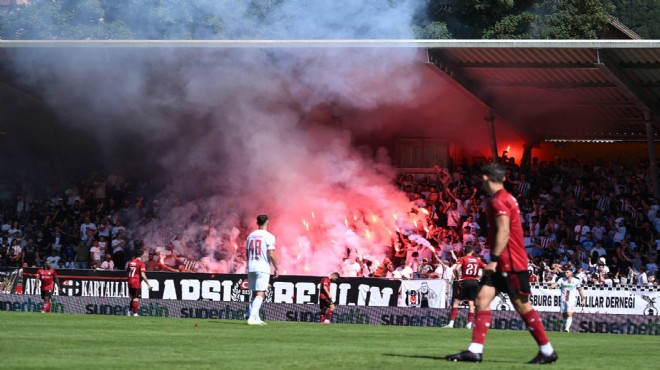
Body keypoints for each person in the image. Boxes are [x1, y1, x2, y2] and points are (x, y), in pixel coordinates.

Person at [447, 163, 557, 364]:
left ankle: (547, 350)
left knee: (521, 306)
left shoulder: (499, 201)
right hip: (505, 262)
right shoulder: (506, 198)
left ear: (486, 178)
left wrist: (494, 260)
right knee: (482, 299)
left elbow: (504, 231)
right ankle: (475, 350)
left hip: (509, 262)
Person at [245, 214, 279, 326]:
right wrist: (276, 267)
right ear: (268, 222)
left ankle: (256, 317)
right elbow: (271, 252)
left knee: (254, 292)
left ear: (257, 223)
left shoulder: (250, 236)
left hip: (251, 266)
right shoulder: (269, 236)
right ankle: (251, 318)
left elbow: (247, 253)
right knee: (261, 293)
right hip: (262, 267)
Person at [443, 245, 486, 329]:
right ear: (472, 252)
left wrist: (457, 279)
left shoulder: (463, 258)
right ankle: (469, 324)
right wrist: (480, 277)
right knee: (471, 303)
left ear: (464, 251)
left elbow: (456, 269)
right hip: (474, 282)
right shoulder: (477, 260)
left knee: (456, 302)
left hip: (465, 281)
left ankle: (451, 324)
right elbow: (487, 268)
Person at [550, 267, 585, 332]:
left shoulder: (576, 281)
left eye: (567, 272)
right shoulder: (562, 279)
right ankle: (565, 327)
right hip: (563, 299)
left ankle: (567, 328)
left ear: (571, 273)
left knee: (569, 313)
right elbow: (556, 284)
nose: (565, 273)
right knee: (564, 314)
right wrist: (552, 286)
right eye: (565, 272)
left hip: (571, 300)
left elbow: (580, 290)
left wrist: (583, 299)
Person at [127, 250, 152, 316]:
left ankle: (129, 311)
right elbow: (143, 275)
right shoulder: (141, 263)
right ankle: (135, 313)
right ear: (142, 256)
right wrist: (148, 284)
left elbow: (128, 271)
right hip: (136, 282)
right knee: (136, 297)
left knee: (133, 297)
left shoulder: (130, 263)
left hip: (129, 281)